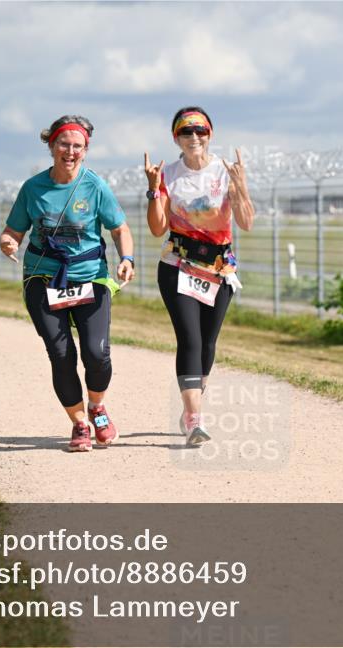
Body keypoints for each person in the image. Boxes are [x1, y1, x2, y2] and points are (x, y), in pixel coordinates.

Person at [0, 114, 135, 452]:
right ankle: (79, 424)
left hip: (90, 277)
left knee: (96, 353)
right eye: (64, 144)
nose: (70, 152)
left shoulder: (94, 186)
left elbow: (119, 228)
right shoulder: (33, 189)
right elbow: (13, 231)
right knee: (61, 354)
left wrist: (127, 259)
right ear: (51, 145)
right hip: (43, 278)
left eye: (78, 146)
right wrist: (7, 242)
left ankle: (97, 407)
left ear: (86, 151)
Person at [144, 106, 256, 446]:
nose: (194, 137)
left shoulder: (225, 171)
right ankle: (194, 419)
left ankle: (193, 403)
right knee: (190, 339)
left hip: (219, 270)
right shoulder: (168, 174)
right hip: (178, 265)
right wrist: (153, 189)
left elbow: (247, 222)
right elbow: (157, 228)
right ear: (175, 137)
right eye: (186, 131)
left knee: (208, 342)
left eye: (201, 130)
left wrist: (239, 188)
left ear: (210, 134)